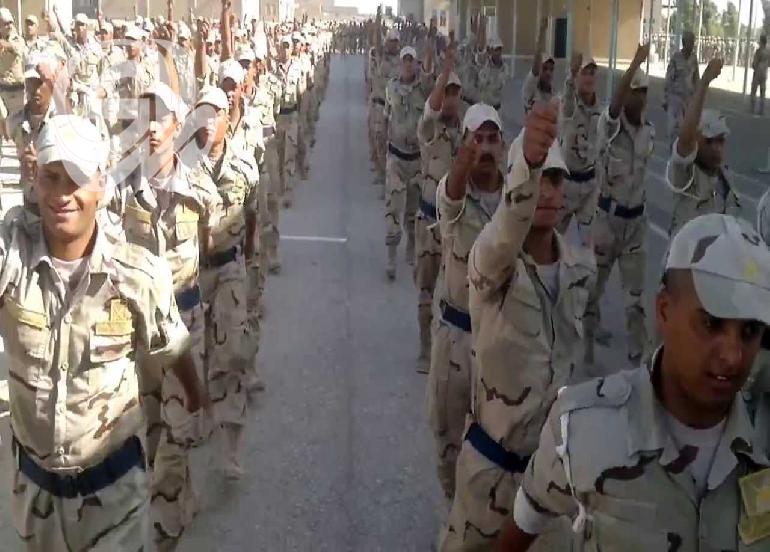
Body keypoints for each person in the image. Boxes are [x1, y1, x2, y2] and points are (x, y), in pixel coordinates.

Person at [498, 213, 770, 551]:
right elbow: (525, 521)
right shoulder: (583, 428)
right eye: (712, 324)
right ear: (664, 311)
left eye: (750, 331)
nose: (732, 355)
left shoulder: (761, 453)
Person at [4, 114, 207, 551]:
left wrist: (194, 400)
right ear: (35, 180)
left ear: (101, 184)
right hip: (36, 503)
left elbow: (175, 347)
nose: (62, 194)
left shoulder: (136, 272)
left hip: (115, 501)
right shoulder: (12, 258)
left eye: (76, 179)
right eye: (51, 177)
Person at [439, 98, 595, 552]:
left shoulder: (579, 270)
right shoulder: (494, 260)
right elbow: (502, 234)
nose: (546, 191)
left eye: (555, 179)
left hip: (550, 481)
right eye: (537, 179)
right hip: (490, 471)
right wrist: (527, 162)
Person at [119, 83, 219, 551]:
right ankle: (180, 494)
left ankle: (165, 531)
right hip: (137, 338)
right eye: (144, 117)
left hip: (183, 327)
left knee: (176, 438)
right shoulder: (119, 190)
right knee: (150, 433)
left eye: (161, 117)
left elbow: (209, 243)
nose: (152, 127)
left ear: (179, 126)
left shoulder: (199, 187)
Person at [428, 103, 504, 503]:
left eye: (492, 139)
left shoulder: (516, 199)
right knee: (448, 437)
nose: (485, 148)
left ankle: (480, 516)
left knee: (497, 441)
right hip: (456, 337)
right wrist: (465, 159)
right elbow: (453, 191)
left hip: (500, 339)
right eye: (477, 139)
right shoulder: (452, 191)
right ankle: (454, 512)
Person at [181, 86, 256, 479]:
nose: (208, 122)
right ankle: (200, 418)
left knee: (229, 355)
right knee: (194, 357)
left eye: (216, 114)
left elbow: (252, 211)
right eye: (202, 114)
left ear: (230, 118)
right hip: (190, 276)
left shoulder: (243, 165)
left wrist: (249, 253)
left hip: (228, 269)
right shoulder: (179, 167)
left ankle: (230, 446)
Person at [584, 43, 654, 368]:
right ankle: (586, 348)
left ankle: (638, 360)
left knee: (635, 300)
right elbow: (614, 106)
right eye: (635, 92)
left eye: (644, 92)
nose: (640, 98)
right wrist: (635, 63)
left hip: (635, 226)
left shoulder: (648, 132)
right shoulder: (609, 126)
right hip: (607, 223)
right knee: (593, 290)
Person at [415, 48, 462, 374]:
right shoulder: (429, 129)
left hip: (455, 226)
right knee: (426, 288)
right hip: (429, 221)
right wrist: (444, 72)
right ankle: (424, 347)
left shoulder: (467, 134)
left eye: (455, 94)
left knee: (453, 294)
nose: (449, 99)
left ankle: (446, 351)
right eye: (446, 93)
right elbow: (431, 108)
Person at [668, 58, 741, 237]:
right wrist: (703, 84)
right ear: (697, 141)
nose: (716, 148)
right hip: (686, 254)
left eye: (720, 141)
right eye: (709, 141)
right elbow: (685, 140)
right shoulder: (685, 174)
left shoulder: (726, 179)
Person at [383, 44, 434, 280]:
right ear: (400, 63)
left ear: (416, 64)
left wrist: (430, 50)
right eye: (404, 60)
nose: (407, 64)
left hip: (416, 160)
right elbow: (387, 117)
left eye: (411, 60)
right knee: (393, 207)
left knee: (413, 211)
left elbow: (433, 84)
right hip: (396, 157)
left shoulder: (423, 89)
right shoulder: (391, 87)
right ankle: (391, 257)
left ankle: (412, 243)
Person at [557, 53, 601, 249]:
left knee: (588, 247)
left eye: (592, 73)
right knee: (554, 239)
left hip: (589, 186)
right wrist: (571, 75)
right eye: (585, 73)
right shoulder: (569, 105)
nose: (589, 78)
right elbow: (567, 103)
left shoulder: (599, 110)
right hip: (567, 184)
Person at [371, 15, 401, 197]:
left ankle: (389, 182)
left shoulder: (403, 61)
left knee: (392, 146)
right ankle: (382, 174)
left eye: (395, 41)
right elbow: (375, 41)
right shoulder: (381, 56)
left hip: (396, 110)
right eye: (391, 41)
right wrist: (377, 21)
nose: (393, 44)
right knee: (379, 140)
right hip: (380, 106)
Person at [275, 34, 303, 208]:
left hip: (292, 114)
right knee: (279, 155)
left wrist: (300, 115)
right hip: (278, 117)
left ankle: (288, 192)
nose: (285, 50)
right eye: (282, 47)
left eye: (287, 47)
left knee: (289, 155)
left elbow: (300, 93)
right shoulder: (273, 69)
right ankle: (280, 187)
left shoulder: (297, 68)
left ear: (291, 49)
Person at [664, 31, 699, 149]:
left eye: (693, 42)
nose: (692, 45)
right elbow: (669, 79)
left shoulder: (694, 59)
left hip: (688, 100)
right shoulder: (676, 58)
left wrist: (697, 97)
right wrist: (665, 99)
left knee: (686, 131)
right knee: (673, 130)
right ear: (684, 42)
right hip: (675, 99)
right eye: (690, 42)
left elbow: (696, 79)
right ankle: (671, 153)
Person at [0, 7, 26, 139]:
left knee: (18, 128)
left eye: (10, 22)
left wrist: (5, 45)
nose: (9, 26)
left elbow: (18, 49)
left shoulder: (18, 39)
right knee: (2, 116)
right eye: (5, 23)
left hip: (17, 91)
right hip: (2, 89)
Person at [522, 19, 552, 116]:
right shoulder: (531, 86)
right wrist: (542, 32)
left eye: (551, 69)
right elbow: (536, 65)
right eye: (545, 68)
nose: (548, 73)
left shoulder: (551, 91)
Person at [477, 36, 508, 113]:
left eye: (499, 49)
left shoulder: (504, 67)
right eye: (495, 50)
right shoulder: (484, 63)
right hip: (483, 107)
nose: (498, 52)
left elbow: (501, 85)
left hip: (497, 108)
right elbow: (481, 84)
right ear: (491, 51)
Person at [750, 35, 769, 116]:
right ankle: (761, 109)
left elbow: (755, 62)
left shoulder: (759, 51)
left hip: (758, 72)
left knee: (753, 90)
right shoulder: (768, 51)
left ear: (761, 41)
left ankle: (752, 108)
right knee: (762, 92)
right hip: (764, 72)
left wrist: (754, 66)